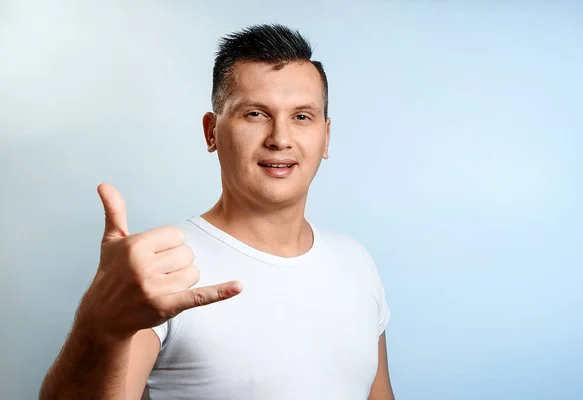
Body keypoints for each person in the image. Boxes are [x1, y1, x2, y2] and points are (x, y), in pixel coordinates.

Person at [39, 23, 394, 400]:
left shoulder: (356, 261)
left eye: (302, 117)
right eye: (255, 114)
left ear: (326, 136)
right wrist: (98, 324)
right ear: (212, 132)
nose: (280, 138)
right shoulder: (165, 269)